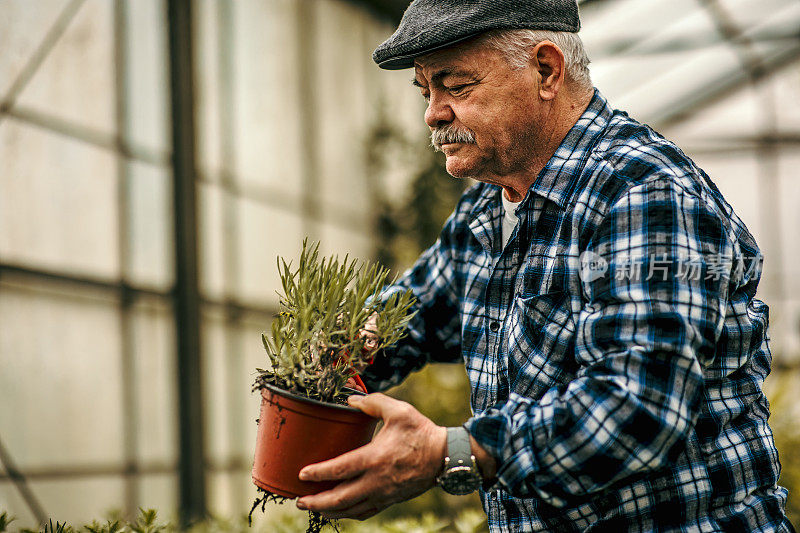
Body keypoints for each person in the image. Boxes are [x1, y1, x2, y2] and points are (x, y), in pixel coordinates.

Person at [294, 0, 794, 531]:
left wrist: (451, 451)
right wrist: (332, 356)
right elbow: (415, 312)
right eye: (426, 91)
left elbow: (638, 410)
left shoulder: (641, 192)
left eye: (456, 86)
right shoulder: (491, 206)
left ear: (546, 70)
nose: (432, 113)